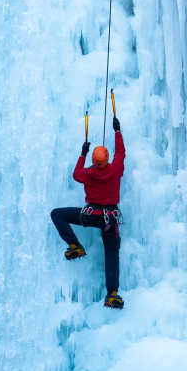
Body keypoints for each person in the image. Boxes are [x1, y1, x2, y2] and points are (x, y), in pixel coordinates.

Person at [51, 116, 125, 309]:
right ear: (107, 159)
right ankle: (112, 294)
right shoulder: (116, 170)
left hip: (90, 215)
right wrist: (117, 131)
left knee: (57, 214)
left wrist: (82, 153)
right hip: (110, 219)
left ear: (93, 160)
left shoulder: (88, 174)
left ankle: (75, 245)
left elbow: (76, 174)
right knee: (111, 253)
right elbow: (121, 153)